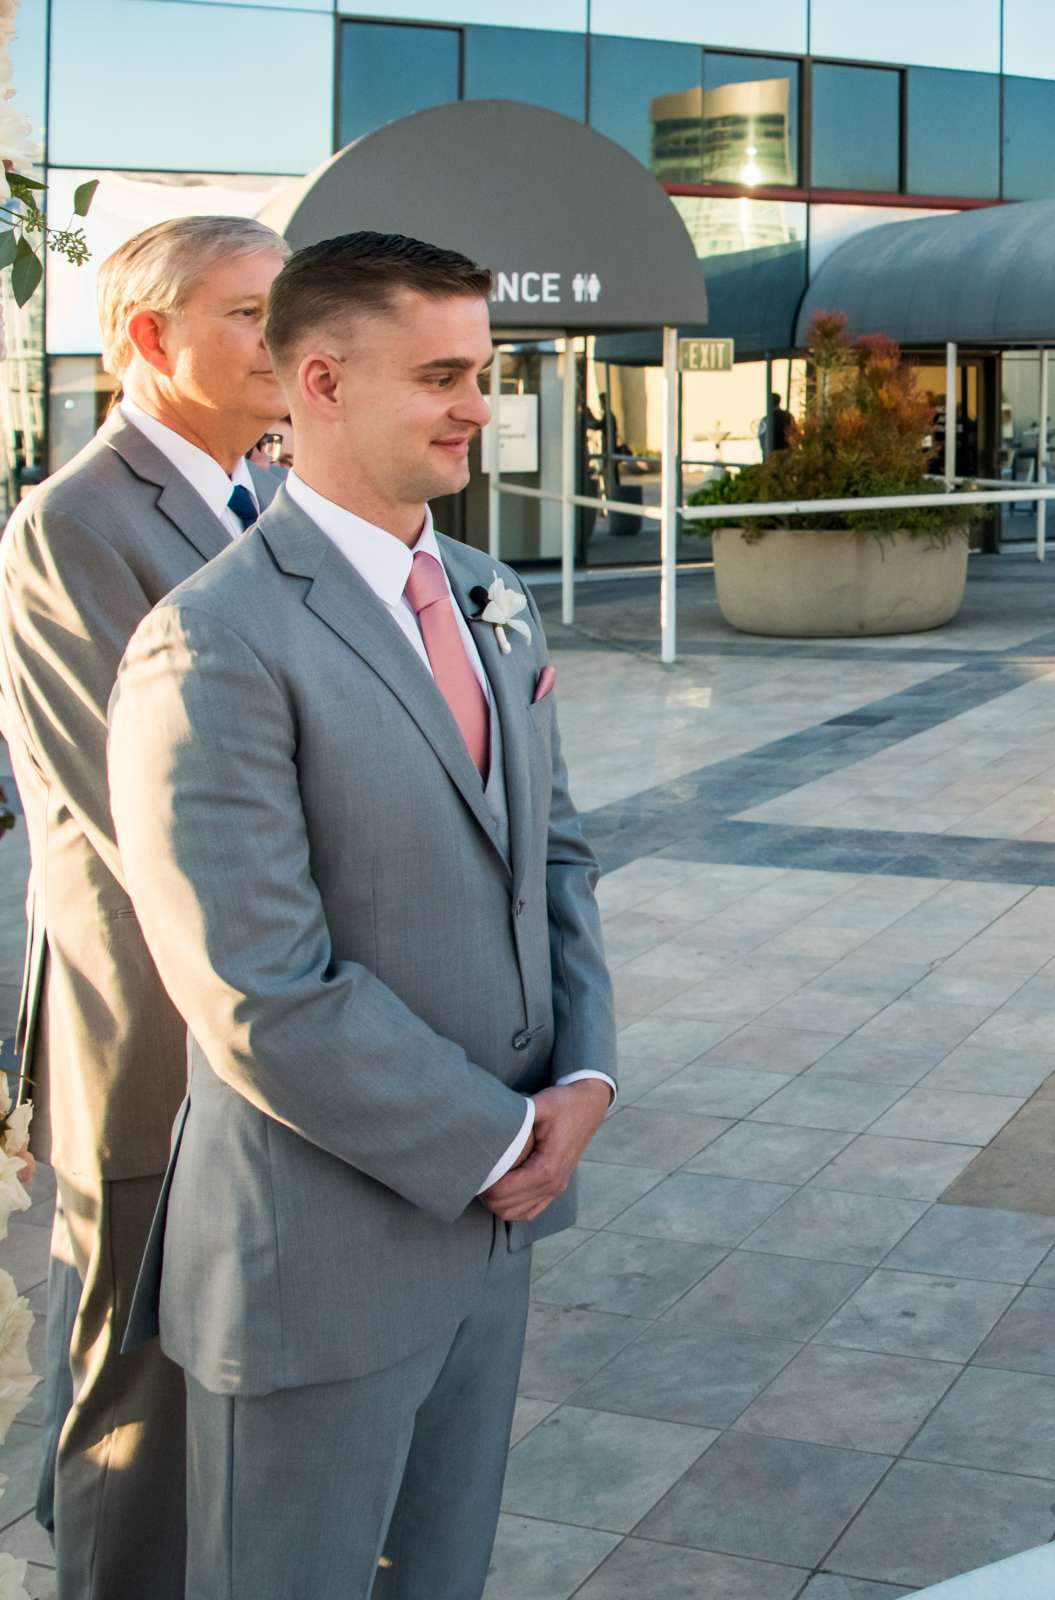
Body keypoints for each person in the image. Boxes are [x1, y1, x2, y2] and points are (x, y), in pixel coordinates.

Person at [106, 231, 618, 1598]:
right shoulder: (212, 641)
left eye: (486, 373)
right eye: (442, 375)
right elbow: (258, 990)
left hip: (491, 1237)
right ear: (321, 382)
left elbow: (556, 859)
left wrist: (585, 1073)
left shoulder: (494, 596)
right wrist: (505, 1133)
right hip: (314, 1267)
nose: (477, 406)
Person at [0, 214, 287, 1600]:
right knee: (130, 1389)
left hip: (265, 1032)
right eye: (250, 313)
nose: (285, 342)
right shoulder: (76, 523)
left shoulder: (272, 499)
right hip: (153, 1044)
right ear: (152, 338)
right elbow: (145, 820)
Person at [758, 390, 794, 457]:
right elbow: (793, 435)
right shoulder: (788, 416)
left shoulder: (765, 420)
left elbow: (762, 438)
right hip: (786, 456)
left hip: (771, 458)